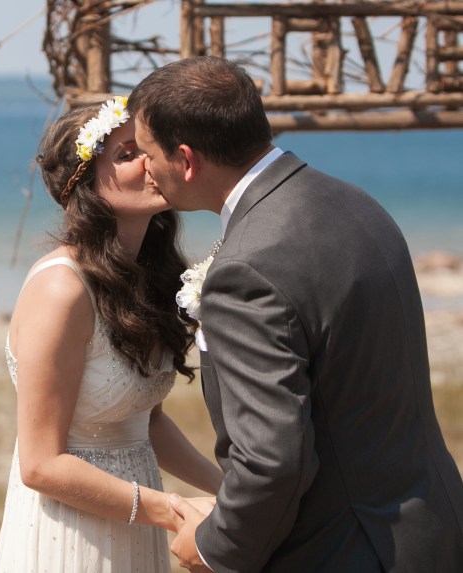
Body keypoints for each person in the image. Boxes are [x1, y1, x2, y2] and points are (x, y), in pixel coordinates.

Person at [128, 55, 463, 573]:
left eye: (148, 153)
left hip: (345, 549)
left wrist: (216, 546)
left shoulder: (246, 269)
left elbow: (273, 460)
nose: (145, 168)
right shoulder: (354, 202)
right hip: (430, 525)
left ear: (187, 160)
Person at [0, 97, 223, 572]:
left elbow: (148, 424)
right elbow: (40, 464)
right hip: (69, 532)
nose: (149, 161)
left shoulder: (148, 279)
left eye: (148, 148)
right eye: (126, 154)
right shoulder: (63, 288)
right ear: (85, 185)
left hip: (133, 521)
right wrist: (174, 510)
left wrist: (232, 493)